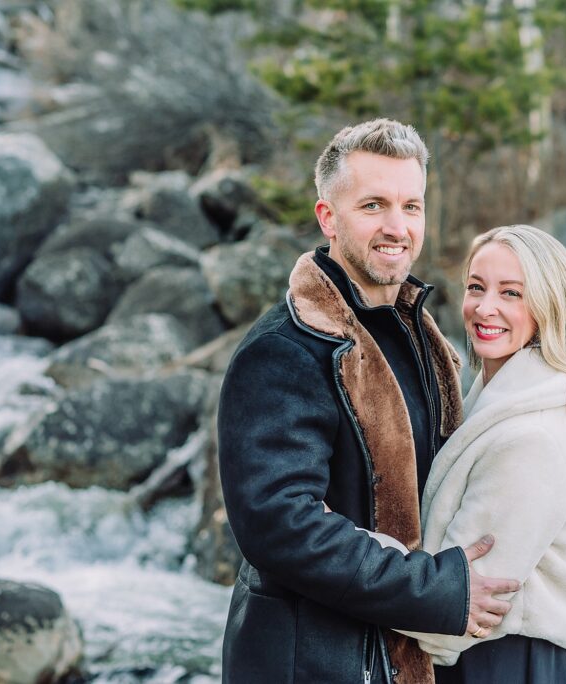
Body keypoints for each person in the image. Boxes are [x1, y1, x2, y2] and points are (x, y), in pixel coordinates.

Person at [216, 119, 520, 684]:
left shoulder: (424, 337)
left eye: (412, 206)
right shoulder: (284, 351)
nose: (397, 227)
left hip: (400, 658)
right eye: (374, 205)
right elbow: (280, 526)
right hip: (312, 665)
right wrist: (436, 592)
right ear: (327, 217)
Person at [363, 224, 566, 683]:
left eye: (511, 293)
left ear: (548, 307)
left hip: (505, 665)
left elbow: (451, 617)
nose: (485, 307)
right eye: (477, 287)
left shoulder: (530, 438)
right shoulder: (488, 402)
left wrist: (346, 545)